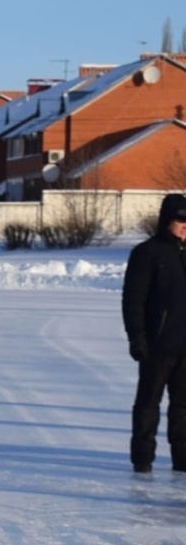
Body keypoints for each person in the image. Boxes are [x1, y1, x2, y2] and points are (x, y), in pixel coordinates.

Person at [122, 192, 186, 473]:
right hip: (157, 345)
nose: (185, 226)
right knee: (148, 404)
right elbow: (133, 301)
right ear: (166, 221)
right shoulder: (147, 253)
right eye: (180, 220)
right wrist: (137, 338)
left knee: (184, 408)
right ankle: (142, 460)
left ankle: (183, 460)